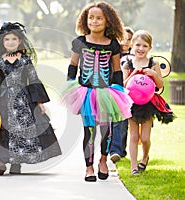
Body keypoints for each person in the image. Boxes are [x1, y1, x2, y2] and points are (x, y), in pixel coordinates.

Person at [63, 1, 133, 182]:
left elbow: (117, 70)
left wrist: (118, 92)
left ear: (107, 21)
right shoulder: (79, 42)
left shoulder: (113, 44)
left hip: (106, 92)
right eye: (91, 18)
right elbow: (73, 65)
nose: (94, 21)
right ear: (85, 20)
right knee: (89, 131)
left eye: (99, 18)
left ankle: (103, 159)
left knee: (106, 130)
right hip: (85, 93)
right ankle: (89, 167)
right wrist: (71, 87)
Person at [0, 22, 62, 176]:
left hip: (23, 103)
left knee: (21, 131)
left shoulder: (25, 60)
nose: (11, 42)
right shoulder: (0, 61)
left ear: (19, 41)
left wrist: (39, 103)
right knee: (2, 129)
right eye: (7, 40)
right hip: (4, 101)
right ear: (2, 42)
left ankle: (16, 162)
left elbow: (33, 80)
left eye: (14, 39)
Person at [122, 30, 174, 175]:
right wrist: (133, 74)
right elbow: (123, 85)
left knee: (145, 138)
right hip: (131, 104)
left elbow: (160, 85)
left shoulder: (153, 63)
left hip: (148, 104)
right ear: (132, 45)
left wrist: (154, 74)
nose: (140, 48)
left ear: (150, 48)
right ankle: (133, 167)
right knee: (133, 136)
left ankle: (144, 157)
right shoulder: (128, 64)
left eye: (145, 46)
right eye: (137, 45)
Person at [110, 26, 134, 163]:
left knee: (123, 123)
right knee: (115, 122)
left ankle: (119, 150)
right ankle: (114, 149)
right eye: (123, 38)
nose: (125, 42)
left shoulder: (134, 57)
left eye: (129, 39)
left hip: (129, 94)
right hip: (113, 89)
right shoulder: (112, 54)